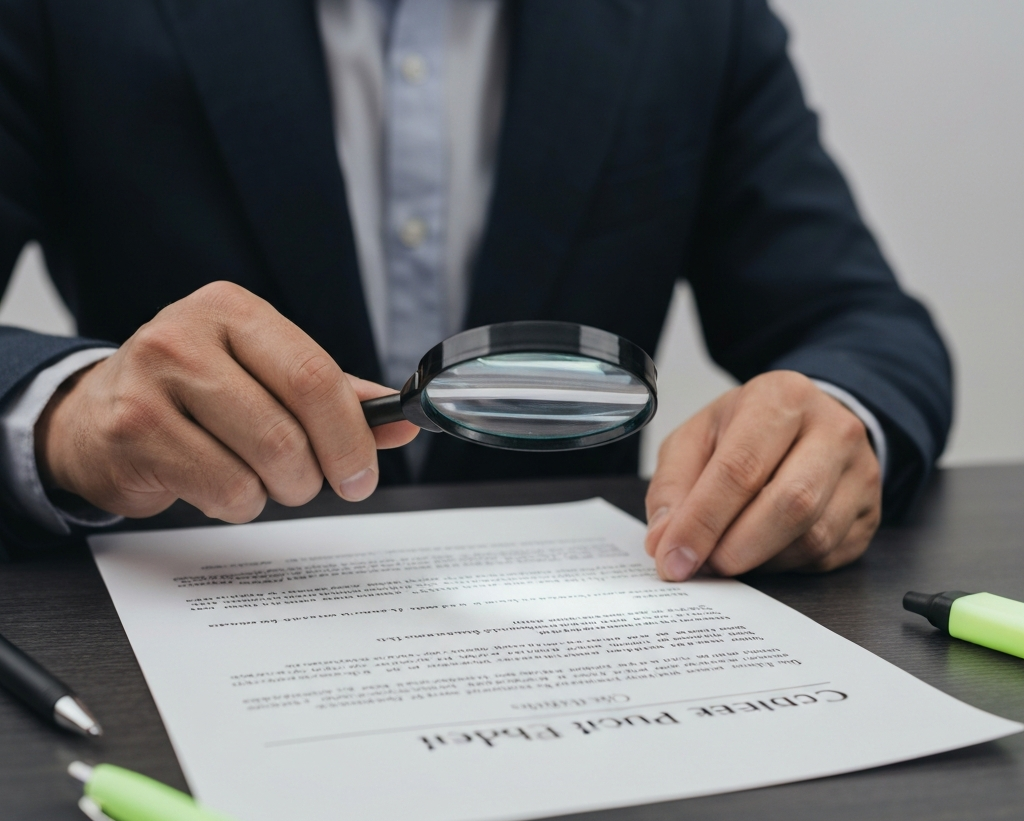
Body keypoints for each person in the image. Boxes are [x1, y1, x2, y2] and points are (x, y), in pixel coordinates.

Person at [0, 0, 951, 578]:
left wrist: (835, 418)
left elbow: (860, 320)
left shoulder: (694, 17)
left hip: (587, 659)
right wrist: (67, 417)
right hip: (178, 628)